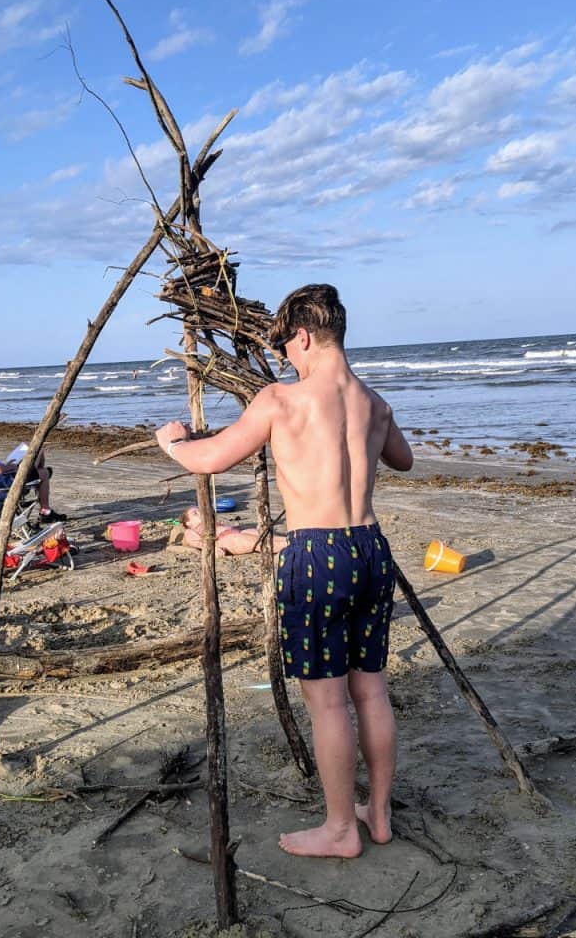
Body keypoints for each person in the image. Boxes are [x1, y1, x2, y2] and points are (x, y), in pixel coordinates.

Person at [156, 283, 413, 859]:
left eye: (288, 349)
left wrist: (172, 443)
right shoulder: (375, 403)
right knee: (371, 691)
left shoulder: (282, 401)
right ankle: (379, 813)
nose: (286, 360)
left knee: (327, 702)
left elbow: (210, 457)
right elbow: (405, 459)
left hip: (317, 552)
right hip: (370, 546)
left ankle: (341, 828)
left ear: (303, 336)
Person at [180, 505, 287, 556]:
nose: (200, 513)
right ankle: (291, 545)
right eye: (195, 513)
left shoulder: (211, 521)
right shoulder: (190, 531)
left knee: (264, 535)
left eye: (199, 510)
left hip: (237, 532)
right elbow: (199, 543)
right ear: (188, 523)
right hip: (225, 540)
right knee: (259, 543)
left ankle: (293, 541)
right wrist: (213, 549)